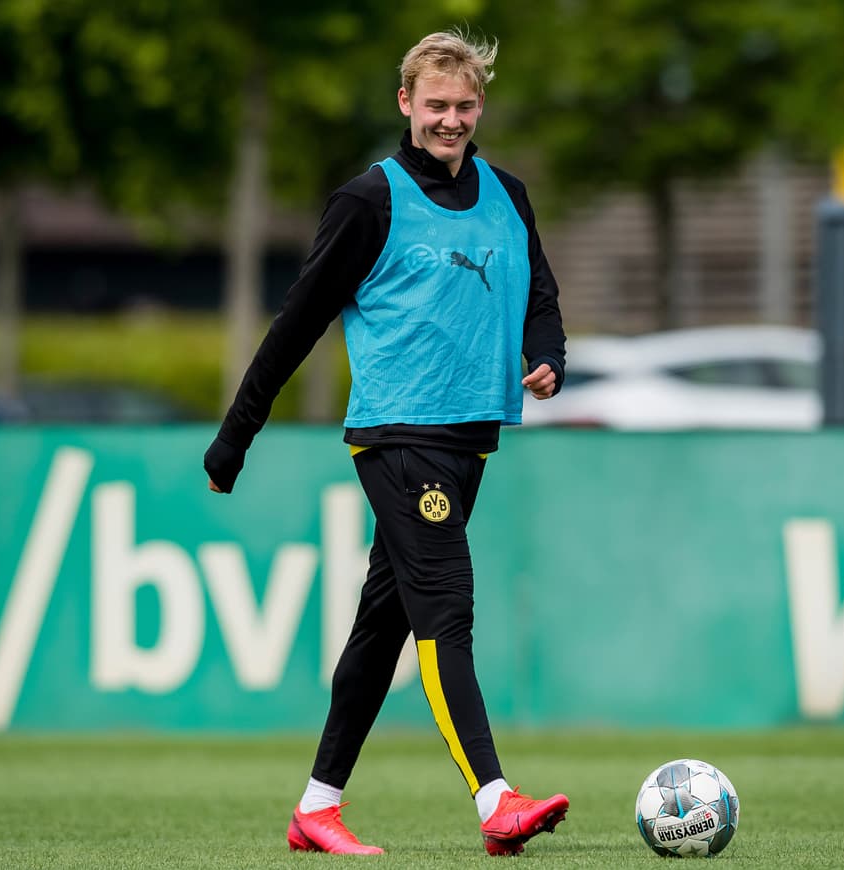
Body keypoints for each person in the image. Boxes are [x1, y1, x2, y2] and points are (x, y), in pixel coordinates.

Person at [203, 28, 569, 857]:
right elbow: (296, 324)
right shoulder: (369, 201)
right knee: (448, 608)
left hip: (471, 441)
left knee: (384, 626)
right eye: (435, 105)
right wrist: (236, 435)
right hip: (400, 437)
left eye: (464, 106)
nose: (450, 120)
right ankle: (495, 800)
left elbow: (540, 295)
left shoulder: (508, 195)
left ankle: (316, 808)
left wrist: (547, 355)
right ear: (406, 103)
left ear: (480, 106)